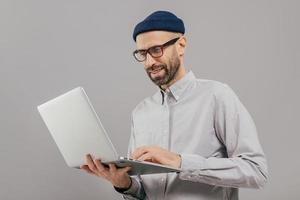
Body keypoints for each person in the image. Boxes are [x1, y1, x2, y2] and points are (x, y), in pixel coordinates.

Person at [80, 10, 268, 200]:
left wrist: (180, 162)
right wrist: (124, 185)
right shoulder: (140, 113)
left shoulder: (217, 96)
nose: (149, 62)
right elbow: (143, 193)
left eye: (156, 50)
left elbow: (256, 171)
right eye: (142, 53)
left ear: (181, 45)